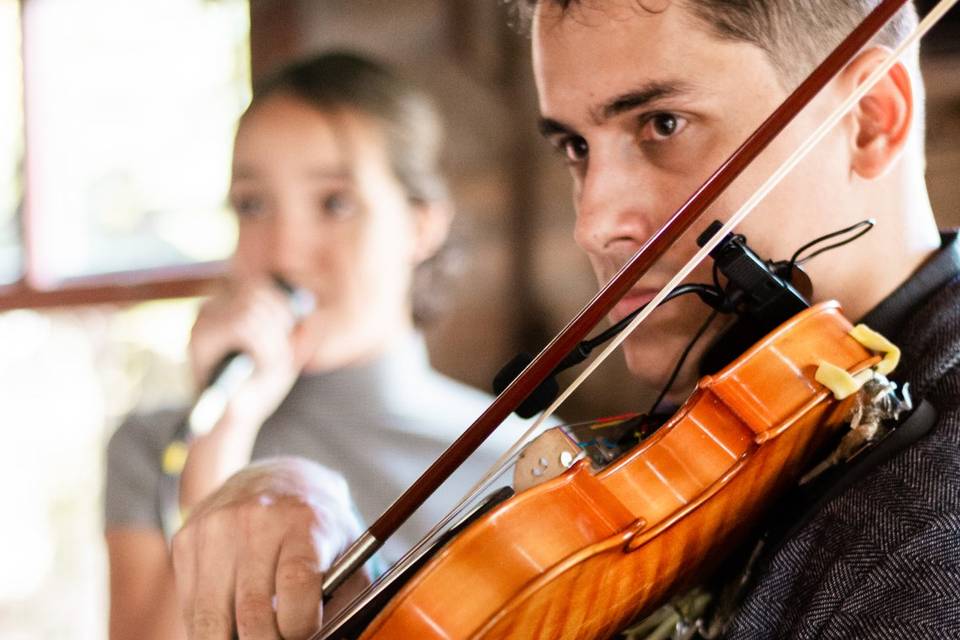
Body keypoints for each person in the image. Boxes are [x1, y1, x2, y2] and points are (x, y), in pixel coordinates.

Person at [171, 1, 960, 638]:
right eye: (577, 147)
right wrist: (311, 521)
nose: (593, 222)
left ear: (868, 120)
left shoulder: (933, 527)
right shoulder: (735, 431)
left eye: (662, 125)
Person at [103, 51, 531, 640]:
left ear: (421, 225)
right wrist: (221, 443)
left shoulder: (521, 460)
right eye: (253, 205)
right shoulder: (157, 448)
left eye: (334, 203)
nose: (284, 251)